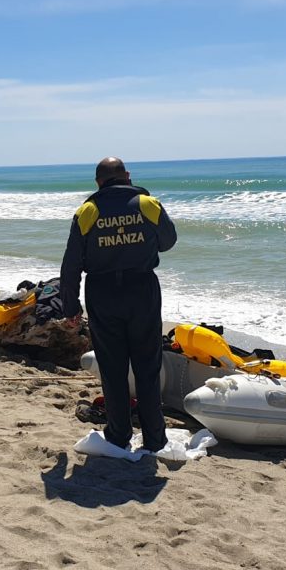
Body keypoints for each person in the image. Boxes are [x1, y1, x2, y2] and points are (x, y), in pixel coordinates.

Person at [59, 156, 177, 453]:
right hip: (142, 290)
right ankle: (154, 439)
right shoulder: (147, 205)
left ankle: (118, 435)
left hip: (102, 293)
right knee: (147, 367)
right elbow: (168, 241)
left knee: (112, 370)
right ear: (127, 175)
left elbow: (71, 265)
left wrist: (70, 307)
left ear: (98, 182)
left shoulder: (88, 211)